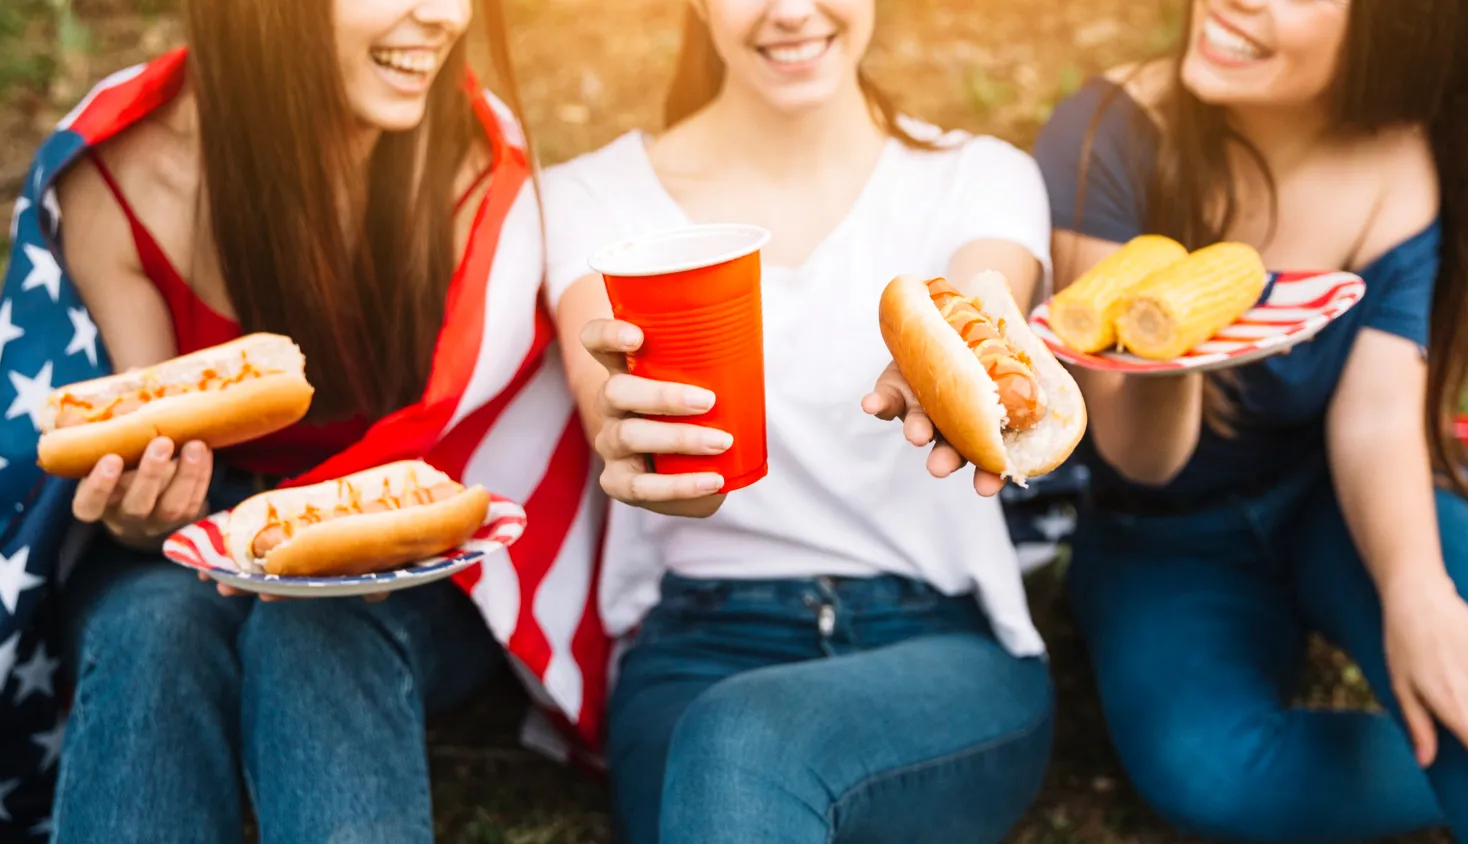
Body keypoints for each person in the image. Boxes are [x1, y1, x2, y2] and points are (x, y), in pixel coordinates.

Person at [0, 0, 603, 840]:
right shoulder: (123, 177)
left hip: (414, 569)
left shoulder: (469, 168)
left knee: (312, 626)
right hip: (191, 541)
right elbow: (143, 476)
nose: (442, 16)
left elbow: (480, 453)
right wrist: (139, 511)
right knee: (154, 630)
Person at [541, 1, 1057, 841]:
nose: (790, 10)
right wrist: (651, 454)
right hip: (696, 646)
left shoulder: (982, 176)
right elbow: (603, 387)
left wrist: (950, 371)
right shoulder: (590, 198)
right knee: (735, 748)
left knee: (745, 745)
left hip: (937, 641)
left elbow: (987, 305)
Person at [1024, 0, 1468, 839]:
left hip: (1330, 500)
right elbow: (1136, 454)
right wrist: (1167, 350)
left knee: (1456, 635)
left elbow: (1375, 418)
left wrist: (1416, 594)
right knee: (1212, 774)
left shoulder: (1396, 160)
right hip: (1161, 535)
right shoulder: (1105, 133)